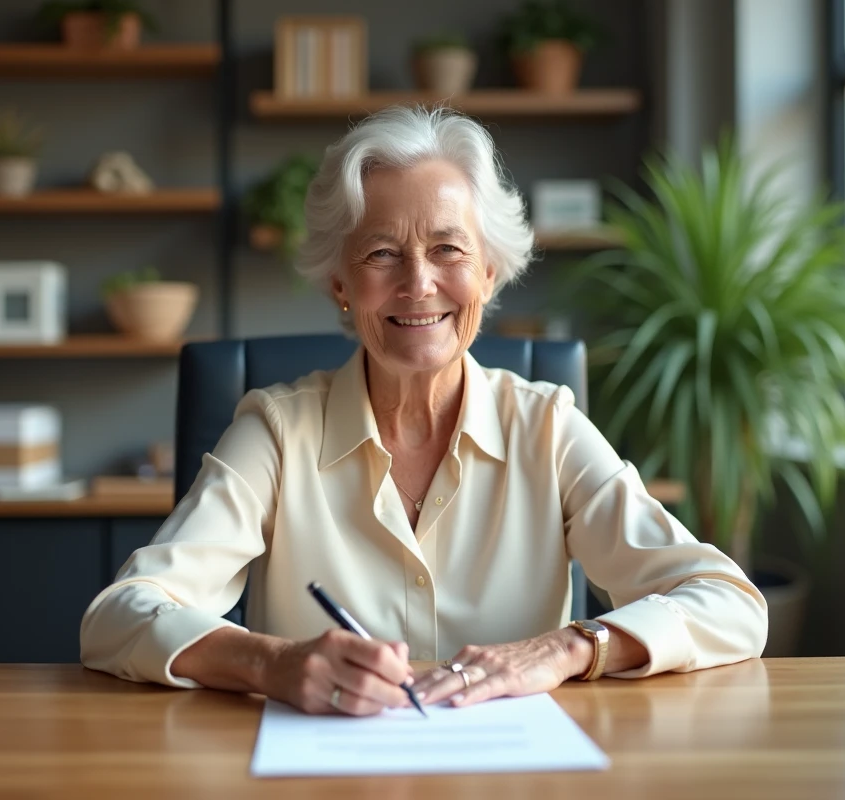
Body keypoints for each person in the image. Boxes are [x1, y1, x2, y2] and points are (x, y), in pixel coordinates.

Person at [81, 105, 768, 716]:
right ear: (340, 284)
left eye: (448, 249)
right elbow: (118, 617)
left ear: (489, 272)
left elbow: (730, 603)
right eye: (383, 253)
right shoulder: (277, 430)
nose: (419, 283)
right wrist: (274, 663)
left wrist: (569, 647)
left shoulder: (547, 427)